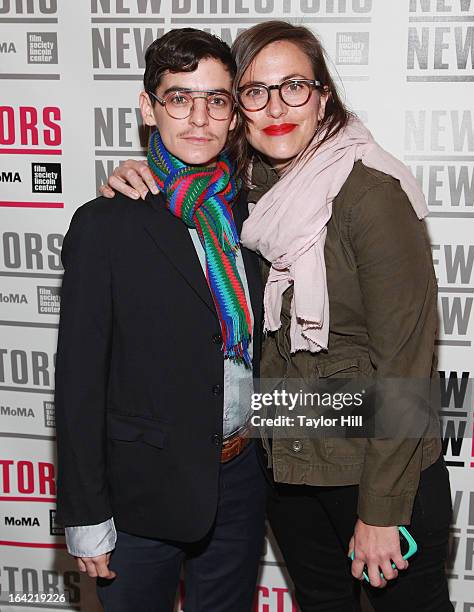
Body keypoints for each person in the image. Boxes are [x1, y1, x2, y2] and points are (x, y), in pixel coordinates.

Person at [101, 21, 454, 612]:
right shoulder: (245, 194)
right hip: (289, 467)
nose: (276, 107)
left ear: (323, 96)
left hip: (375, 471)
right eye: (254, 92)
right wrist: (134, 176)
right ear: (238, 110)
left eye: (294, 86)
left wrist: (381, 509)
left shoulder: (372, 193)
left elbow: (407, 363)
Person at [55, 28, 266, 612]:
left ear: (233, 115)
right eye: (179, 98)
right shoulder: (107, 224)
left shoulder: (253, 215)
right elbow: (78, 382)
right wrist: (87, 516)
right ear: (149, 108)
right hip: (140, 494)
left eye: (216, 100)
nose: (198, 118)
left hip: (240, 480)